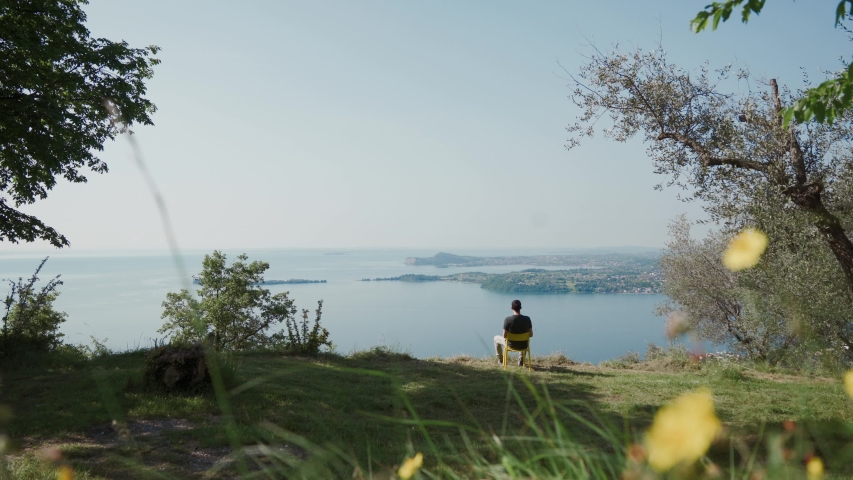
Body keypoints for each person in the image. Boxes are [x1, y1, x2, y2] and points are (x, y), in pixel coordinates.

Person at [494, 299, 533, 366]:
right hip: (523, 345)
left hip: (511, 345)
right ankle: (521, 361)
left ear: (511, 308)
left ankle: (501, 360)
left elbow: (504, 336)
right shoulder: (527, 319)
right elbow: (531, 334)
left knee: (496, 338)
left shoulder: (508, 320)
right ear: (521, 307)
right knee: (525, 339)